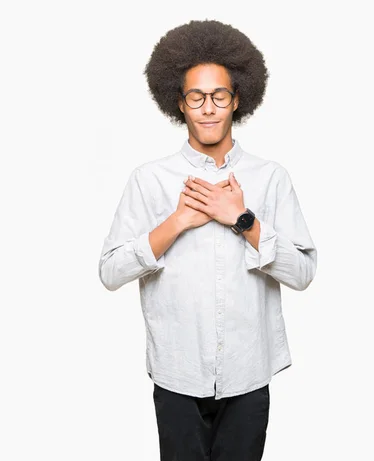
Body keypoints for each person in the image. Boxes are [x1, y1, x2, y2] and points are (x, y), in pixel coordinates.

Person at [98, 19, 318, 460]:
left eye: (219, 96)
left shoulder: (269, 178)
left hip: (248, 374)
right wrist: (177, 222)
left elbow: (303, 273)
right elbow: (110, 272)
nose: (209, 108)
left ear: (238, 100)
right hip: (177, 374)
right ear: (179, 104)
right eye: (196, 97)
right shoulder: (149, 180)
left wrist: (241, 218)